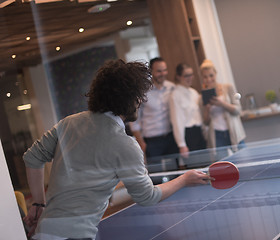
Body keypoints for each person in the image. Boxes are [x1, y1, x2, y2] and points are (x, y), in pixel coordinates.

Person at [23, 59, 211, 240]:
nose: (141, 101)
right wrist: (184, 179)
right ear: (127, 99)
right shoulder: (125, 144)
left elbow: (32, 158)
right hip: (75, 236)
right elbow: (148, 197)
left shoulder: (69, 123)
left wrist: (39, 203)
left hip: (43, 232)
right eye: (138, 96)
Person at [130, 57, 178, 162]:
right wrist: (141, 142)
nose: (163, 73)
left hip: (171, 138)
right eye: (159, 71)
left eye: (165, 70)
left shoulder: (172, 88)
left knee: (176, 172)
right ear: (151, 72)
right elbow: (135, 122)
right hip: (152, 142)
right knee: (157, 175)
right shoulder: (143, 92)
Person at [199, 59, 246, 150]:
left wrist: (222, 104)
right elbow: (206, 122)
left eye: (211, 75)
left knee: (243, 160)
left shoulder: (228, 88)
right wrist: (207, 109)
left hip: (234, 131)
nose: (208, 79)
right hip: (217, 135)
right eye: (205, 77)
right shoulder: (201, 97)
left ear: (216, 74)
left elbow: (237, 110)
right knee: (221, 163)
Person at [169, 63, 207, 160]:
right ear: (178, 77)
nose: (190, 78)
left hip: (199, 133)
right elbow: (177, 121)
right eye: (186, 75)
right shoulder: (175, 95)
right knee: (194, 167)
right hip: (188, 135)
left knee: (205, 165)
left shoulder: (194, 92)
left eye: (191, 74)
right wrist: (182, 144)